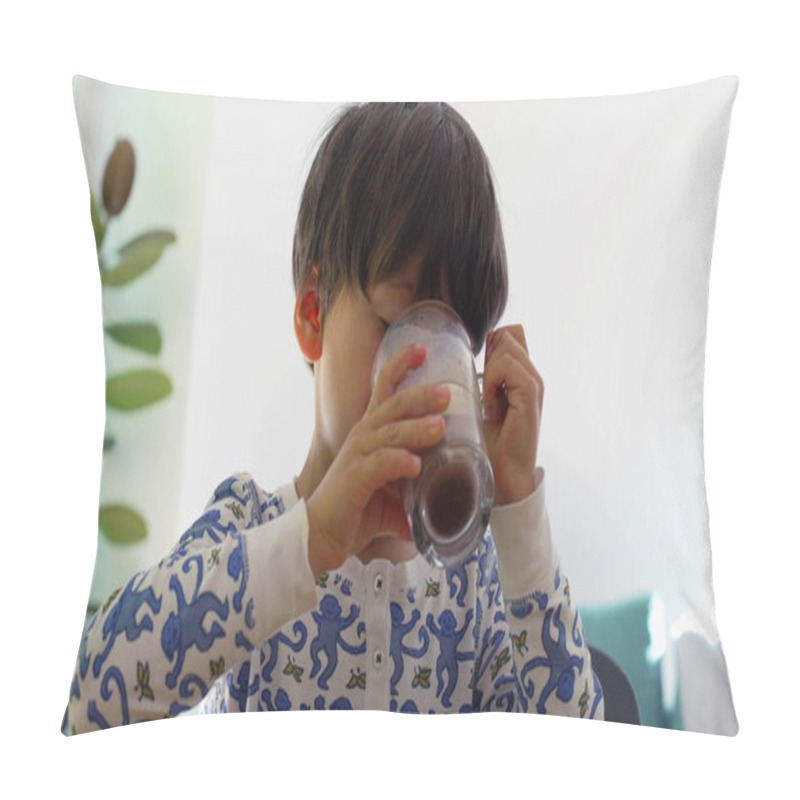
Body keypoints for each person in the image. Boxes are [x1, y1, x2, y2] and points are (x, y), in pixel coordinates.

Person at [63, 102, 604, 731]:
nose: (431, 375)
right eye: (401, 327)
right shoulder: (251, 530)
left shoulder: (474, 586)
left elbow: (579, 756)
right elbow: (94, 697)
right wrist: (312, 538)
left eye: (457, 342)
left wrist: (517, 514)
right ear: (313, 314)